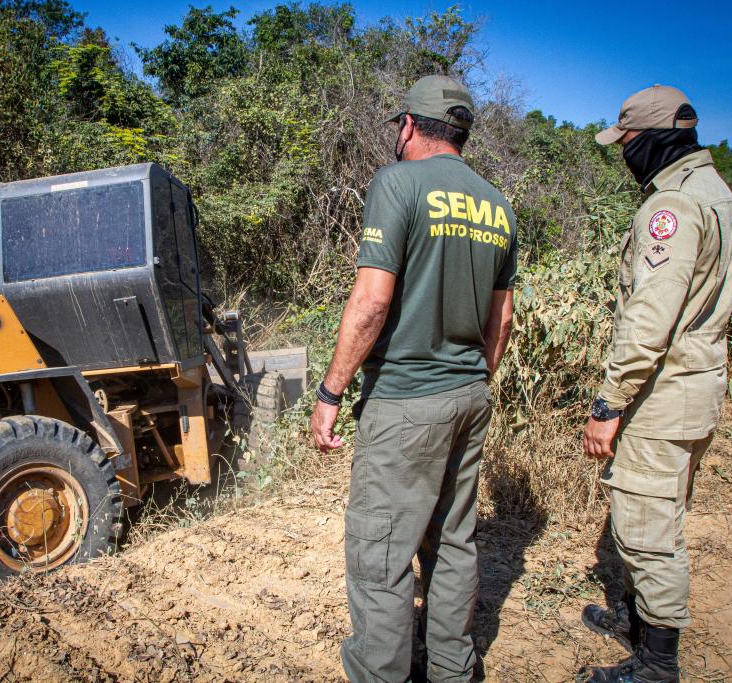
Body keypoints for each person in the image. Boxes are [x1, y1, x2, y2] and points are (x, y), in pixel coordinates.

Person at [310, 74, 517, 683]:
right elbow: (501, 318)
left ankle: (383, 673)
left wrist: (331, 391)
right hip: (469, 394)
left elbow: (371, 304)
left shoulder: (396, 184)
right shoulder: (497, 204)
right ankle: (453, 668)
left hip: (404, 401)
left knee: (381, 552)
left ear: (409, 125)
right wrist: (475, 379)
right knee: (453, 541)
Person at [580, 85, 732, 683]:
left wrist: (609, 400)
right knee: (665, 510)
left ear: (652, 139)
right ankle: (639, 622)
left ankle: (656, 664)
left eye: (627, 142)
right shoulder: (717, 193)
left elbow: (649, 317)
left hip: (662, 391)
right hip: (697, 386)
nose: (624, 153)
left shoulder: (670, 207)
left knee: (648, 529)